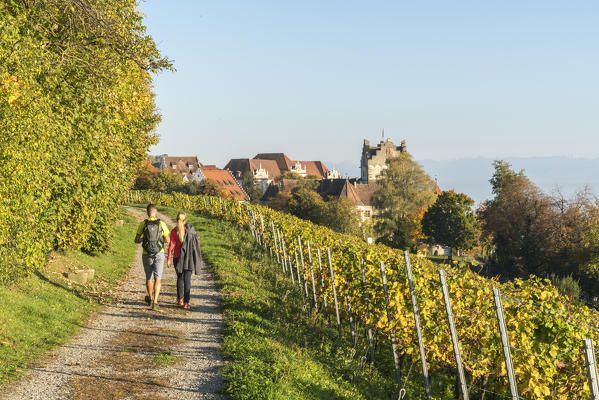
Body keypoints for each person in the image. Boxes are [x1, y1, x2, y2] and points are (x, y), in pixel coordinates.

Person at [134, 204, 170, 310]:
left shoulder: (143, 224)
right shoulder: (162, 224)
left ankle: (150, 298)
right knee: (158, 278)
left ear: (147, 212)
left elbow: (136, 240)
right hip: (159, 253)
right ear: (156, 212)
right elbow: (167, 240)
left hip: (147, 253)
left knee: (149, 277)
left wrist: (144, 240)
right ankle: (155, 301)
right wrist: (159, 241)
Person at [167, 212, 202, 310]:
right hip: (188, 258)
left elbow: (171, 246)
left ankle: (180, 299)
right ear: (185, 220)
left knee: (180, 278)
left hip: (177, 258)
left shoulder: (174, 231)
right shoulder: (190, 231)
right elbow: (197, 241)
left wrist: (169, 258)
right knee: (187, 280)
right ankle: (186, 302)